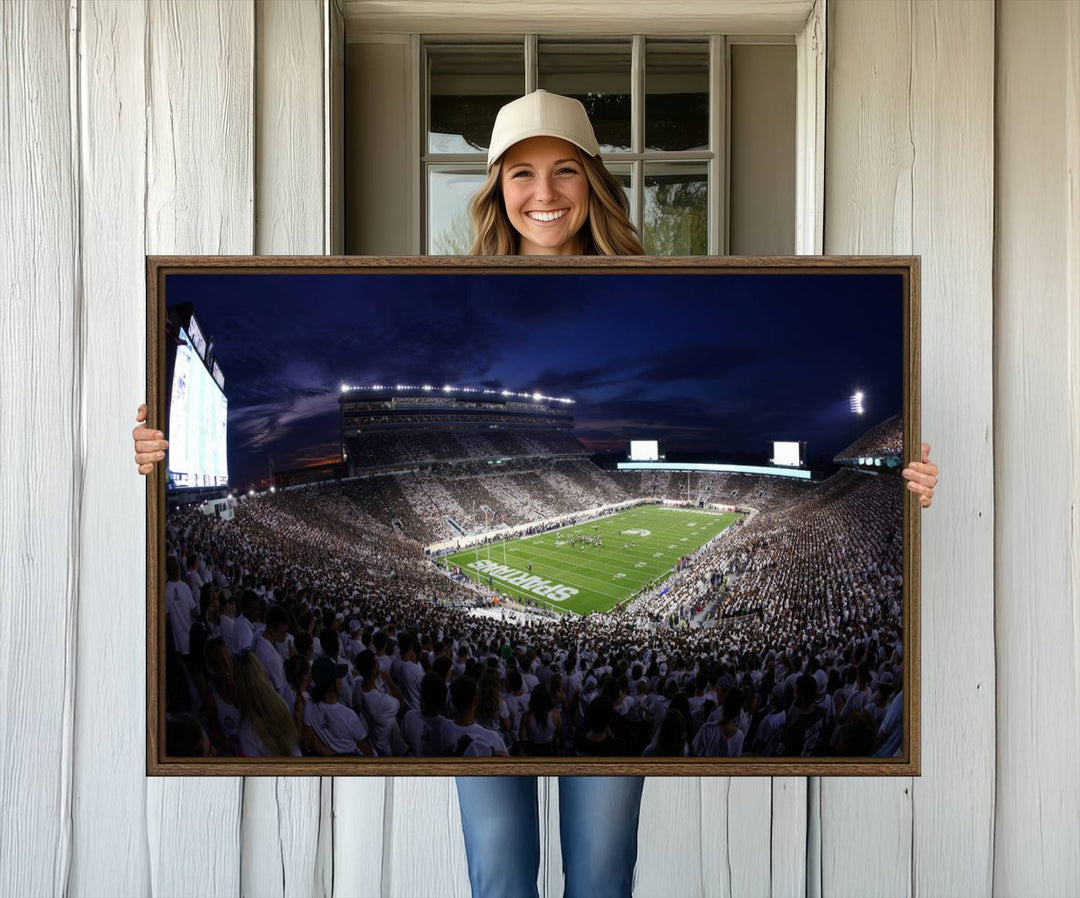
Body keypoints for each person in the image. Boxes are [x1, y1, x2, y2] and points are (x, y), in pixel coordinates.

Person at [132, 89, 940, 898]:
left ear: (594, 181)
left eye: (564, 171)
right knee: (501, 874)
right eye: (521, 173)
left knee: (599, 874)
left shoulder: (647, 285)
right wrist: (161, 447)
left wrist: (900, 481)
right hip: (492, 724)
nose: (544, 193)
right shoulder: (451, 288)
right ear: (495, 188)